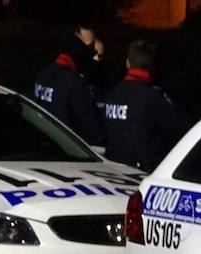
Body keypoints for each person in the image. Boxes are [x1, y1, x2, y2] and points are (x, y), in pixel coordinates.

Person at [103, 39, 191, 173]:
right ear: (153, 67)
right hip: (143, 172)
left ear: (128, 63)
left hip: (112, 169)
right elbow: (179, 131)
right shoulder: (153, 99)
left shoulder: (113, 94)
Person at [32, 25, 105, 145]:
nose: (93, 52)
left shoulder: (45, 74)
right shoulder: (74, 83)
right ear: (76, 45)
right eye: (91, 46)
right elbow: (92, 132)